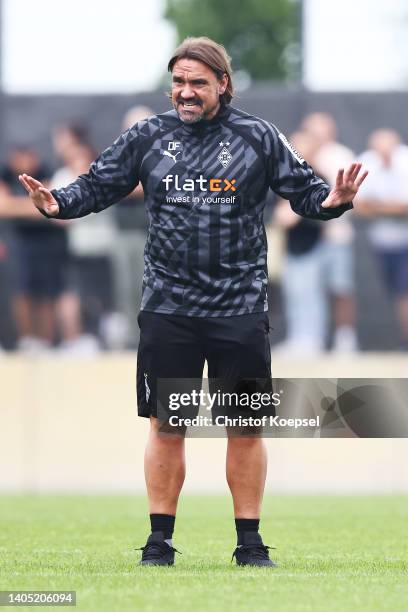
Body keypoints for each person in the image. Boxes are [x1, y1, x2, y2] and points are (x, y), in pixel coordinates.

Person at [18, 37, 368, 567]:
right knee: (167, 424)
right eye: (179, 82)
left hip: (239, 309)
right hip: (169, 308)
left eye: (198, 83)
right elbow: (97, 184)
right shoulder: (148, 136)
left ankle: (249, 544)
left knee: (245, 427)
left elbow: (305, 191)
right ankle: (159, 542)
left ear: (222, 85)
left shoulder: (257, 137)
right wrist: (56, 203)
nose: (186, 92)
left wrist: (331, 201)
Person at [0, 147, 69, 352]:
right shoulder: (5, 174)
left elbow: (47, 207)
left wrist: (19, 207)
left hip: (45, 242)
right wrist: (31, 207)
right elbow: (3, 208)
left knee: (46, 293)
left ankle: (45, 340)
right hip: (17, 241)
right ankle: (27, 338)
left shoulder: (45, 173)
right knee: (22, 291)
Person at [301, 112, 358, 351]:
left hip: (337, 235)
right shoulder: (300, 155)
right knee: (309, 290)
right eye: (310, 129)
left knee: (341, 287)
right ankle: (311, 339)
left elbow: (349, 196)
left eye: (319, 129)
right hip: (308, 240)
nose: (314, 134)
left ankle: (346, 340)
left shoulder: (341, 155)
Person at [356, 129, 408, 350]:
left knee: (405, 293)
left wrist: (376, 206)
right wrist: (391, 207)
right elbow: (357, 207)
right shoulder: (365, 163)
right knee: (398, 293)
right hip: (382, 243)